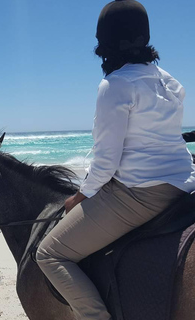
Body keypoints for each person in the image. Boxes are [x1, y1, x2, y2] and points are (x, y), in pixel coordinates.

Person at [35, 1, 195, 319]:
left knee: (50, 254)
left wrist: (79, 197)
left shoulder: (115, 85)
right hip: (184, 184)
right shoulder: (170, 82)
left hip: (138, 194)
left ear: (105, 44)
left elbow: (106, 163)